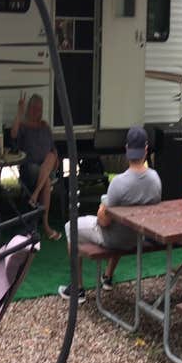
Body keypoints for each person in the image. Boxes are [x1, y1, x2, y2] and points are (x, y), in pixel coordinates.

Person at [58, 126, 162, 304]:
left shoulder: (119, 183)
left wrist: (101, 208)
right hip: (137, 236)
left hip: (114, 238)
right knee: (121, 225)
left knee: (71, 226)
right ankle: (107, 277)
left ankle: (77, 289)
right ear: (146, 149)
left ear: (127, 149)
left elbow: (104, 221)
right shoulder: (155, 179)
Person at [12, 93, 60, 240]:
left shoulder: (45, 126)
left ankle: (34, 196)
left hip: (46, 166)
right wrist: (19, 113)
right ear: (28, 109)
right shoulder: (24, 126)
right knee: (46, 181)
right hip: (30, 168)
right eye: (33, 108)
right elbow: (13, 135)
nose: (36, 111)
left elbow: (53, 149)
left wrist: (56, 158)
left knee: (52, 156)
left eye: (39, 109)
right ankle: (46, 226)